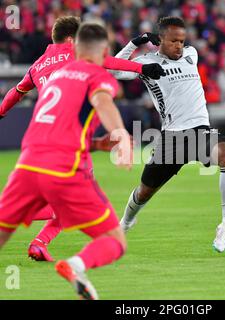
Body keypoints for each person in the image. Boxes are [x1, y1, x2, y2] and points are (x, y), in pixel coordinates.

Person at [0, 16, 165, 262]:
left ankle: (38, 240)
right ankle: (73, 262)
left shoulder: (38, 65)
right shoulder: (78, 59)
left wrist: (1, 112)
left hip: (35, 146)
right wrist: (142, 67)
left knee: (33, 209)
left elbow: (17, 92)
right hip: (69, 149)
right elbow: (105, 65)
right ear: (71, 40)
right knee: (106, 233)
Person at [0, 22, 133, 300]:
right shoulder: (95, 74)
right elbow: (103, 101)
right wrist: (120, 136)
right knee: (113, 241)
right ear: (103, 51)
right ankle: (75, 266)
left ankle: (41, 242)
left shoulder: (49, 74)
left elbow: (57, 125)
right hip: (65, 169)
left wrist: (95, 144)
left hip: (26, 165)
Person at [114, 16, 225, 253]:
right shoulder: (146, 62)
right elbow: (112, 71)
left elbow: (186, 50)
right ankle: (126, 222)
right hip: (171, 138)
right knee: (144, 191)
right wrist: (136, 42)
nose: (179, 46)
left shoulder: (192, 54)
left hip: (200, 131)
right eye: (173, 41)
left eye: (182, 41)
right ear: (160, 39)